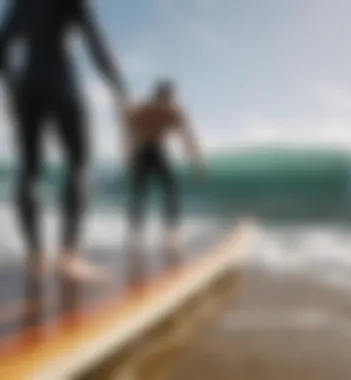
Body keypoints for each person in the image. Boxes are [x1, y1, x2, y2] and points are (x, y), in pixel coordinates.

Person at [0, 0, 127, 280]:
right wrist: (119, 85)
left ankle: (35, 257)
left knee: (29, 170)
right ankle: (68, 256)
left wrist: (10, 89)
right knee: (79, 164)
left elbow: (2, 46)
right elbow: (96, 44)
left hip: (27, 85)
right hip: (61, 81)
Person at [125, 79, 204, 263]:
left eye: (169, 99)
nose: (165, 103)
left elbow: (188, 137)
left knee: (171, 187)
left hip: (159, 149)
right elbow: (130, 132)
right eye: (163, 98)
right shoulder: (143, 110)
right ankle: (136, 236)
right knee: (139, 193)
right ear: (156, 96)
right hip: (142, 150)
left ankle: (171, 233)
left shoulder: (174, 112)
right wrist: (130, 158)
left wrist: (197, 163)